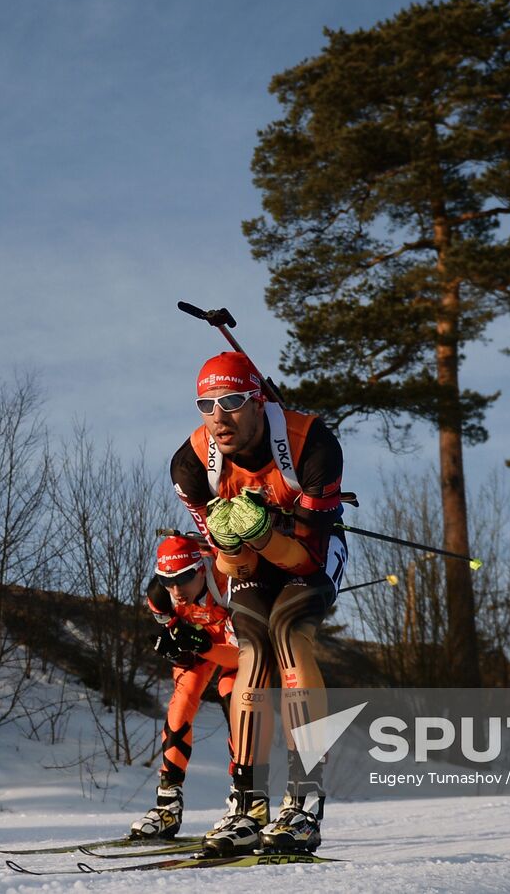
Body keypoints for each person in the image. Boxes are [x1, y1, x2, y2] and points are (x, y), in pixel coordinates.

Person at [170, 351, 346, 854]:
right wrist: (229, 545)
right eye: (207, 404)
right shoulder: (190, 465)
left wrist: (265, 534)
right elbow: (233, 570)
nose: (218, 417)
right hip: (253, 557)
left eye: (231, 401)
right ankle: (246, 803)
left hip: (305, 552)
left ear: (258, 400)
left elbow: (307, 559)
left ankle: (304, 799)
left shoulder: (310, 443)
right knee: (252, 645)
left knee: (289, 630)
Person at [129, 534, 240, 840]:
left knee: (234, 699)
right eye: (167, 580)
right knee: (179, 708)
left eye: (184, 578)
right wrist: (175, 644)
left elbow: (244, 653)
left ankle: (243, 803)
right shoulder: (160, 597)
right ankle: (167, 806)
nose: (176, 589)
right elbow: (175, 633)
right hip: (203, 645)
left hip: (232, 646)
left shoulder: (225, 582)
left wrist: (200, 644)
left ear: (201, 569)